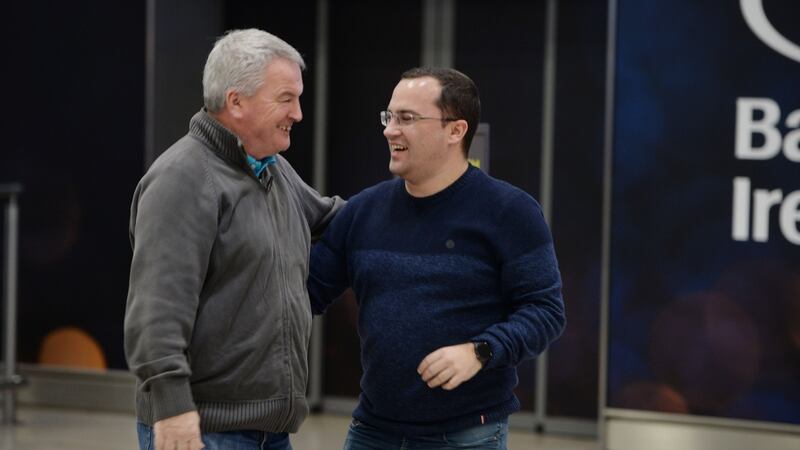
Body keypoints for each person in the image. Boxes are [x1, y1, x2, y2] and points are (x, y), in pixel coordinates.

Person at [307, 67, 566, 449]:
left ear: (456, 131)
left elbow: (546, 312)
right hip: (372, 429)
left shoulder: (509, 212)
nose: (390, 130)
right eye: (389, 116)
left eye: (407, 119)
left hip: (466, 433)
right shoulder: (363, 211)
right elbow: (305, 291)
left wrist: (481, 351)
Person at [124, 29, 343, 450]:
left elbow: (336, 220)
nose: (298, 113)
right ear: (236, 101)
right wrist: (172, 408)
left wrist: (415, 204)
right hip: (205, 429)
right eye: (286, 98)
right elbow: (156, 309)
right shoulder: (183, 179)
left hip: (269, 431)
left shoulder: (271, 167)